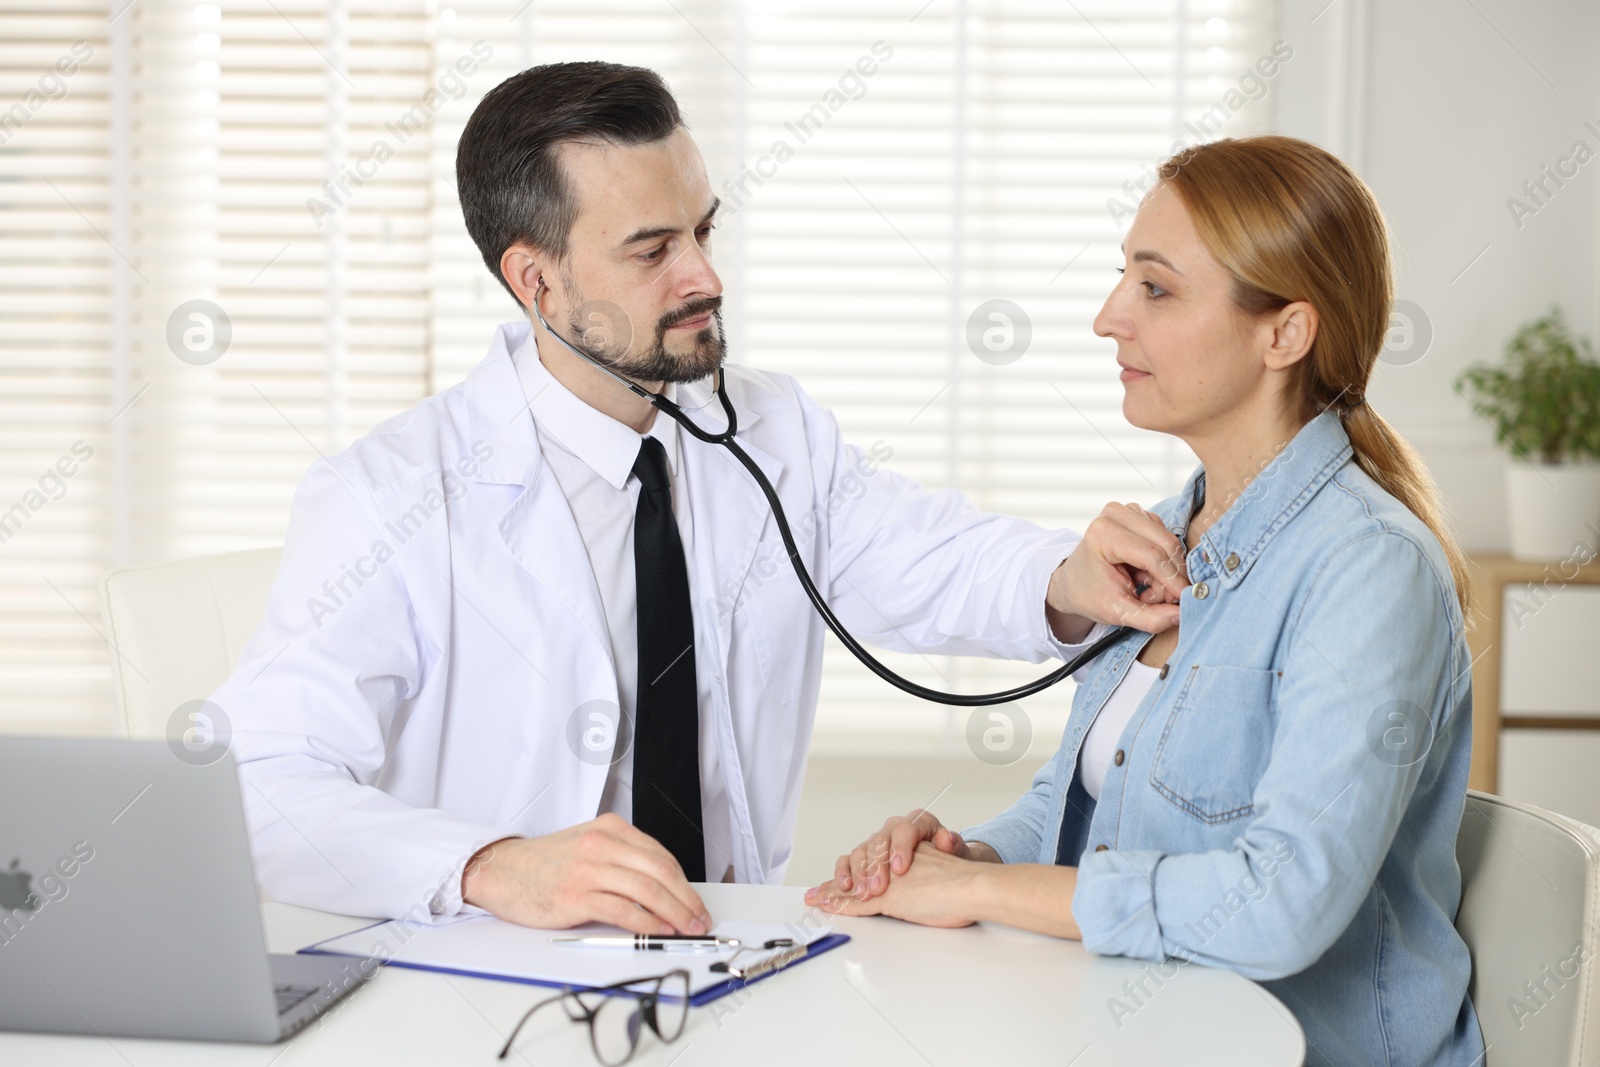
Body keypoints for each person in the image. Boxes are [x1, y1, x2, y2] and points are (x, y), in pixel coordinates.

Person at [209, 61, 1190, 937]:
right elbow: (255, 782)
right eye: (651, 250)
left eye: (703, 229)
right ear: (536, 281)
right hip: (484, 978)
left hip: (729, 958)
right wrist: (490, 864)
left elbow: (926, 554)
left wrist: (1069, 580)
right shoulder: (391, 494)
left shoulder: (770, 430)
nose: (705, 276)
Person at [806, 135, 1486, 1066]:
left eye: (1155, 289)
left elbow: (1283, 900)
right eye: (1123, 278)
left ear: (1284, 333)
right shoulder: (1170, 536)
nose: (1107, 318)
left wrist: (982, 899)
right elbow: (1087, 800)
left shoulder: (1369, 569)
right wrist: (970, 857)